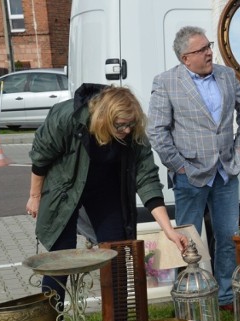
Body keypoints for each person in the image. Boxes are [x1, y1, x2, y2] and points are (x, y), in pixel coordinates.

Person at [26, 84, 187, 306]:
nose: (128, 130)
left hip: (105, 191)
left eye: (131, 124)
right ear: (104, 118)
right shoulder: (67, 117)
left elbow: (147, 179)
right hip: (66, 188)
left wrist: (168, 229)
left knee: (116, 256)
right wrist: (35, 196)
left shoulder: (134, 133)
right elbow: (41, 156)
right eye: (121, 126)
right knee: (59, 260)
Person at [147, 26, 240, 311]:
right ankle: (189, 298)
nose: (209, 52)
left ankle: (226, 297)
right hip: (190, 176)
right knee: (187, 241)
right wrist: (178, 166)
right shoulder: (166, 82)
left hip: (225, 172)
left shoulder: (226, 75)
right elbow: (156, 131)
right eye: (202, 49)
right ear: (186, 58)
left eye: (209, 47)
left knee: (227, 236)